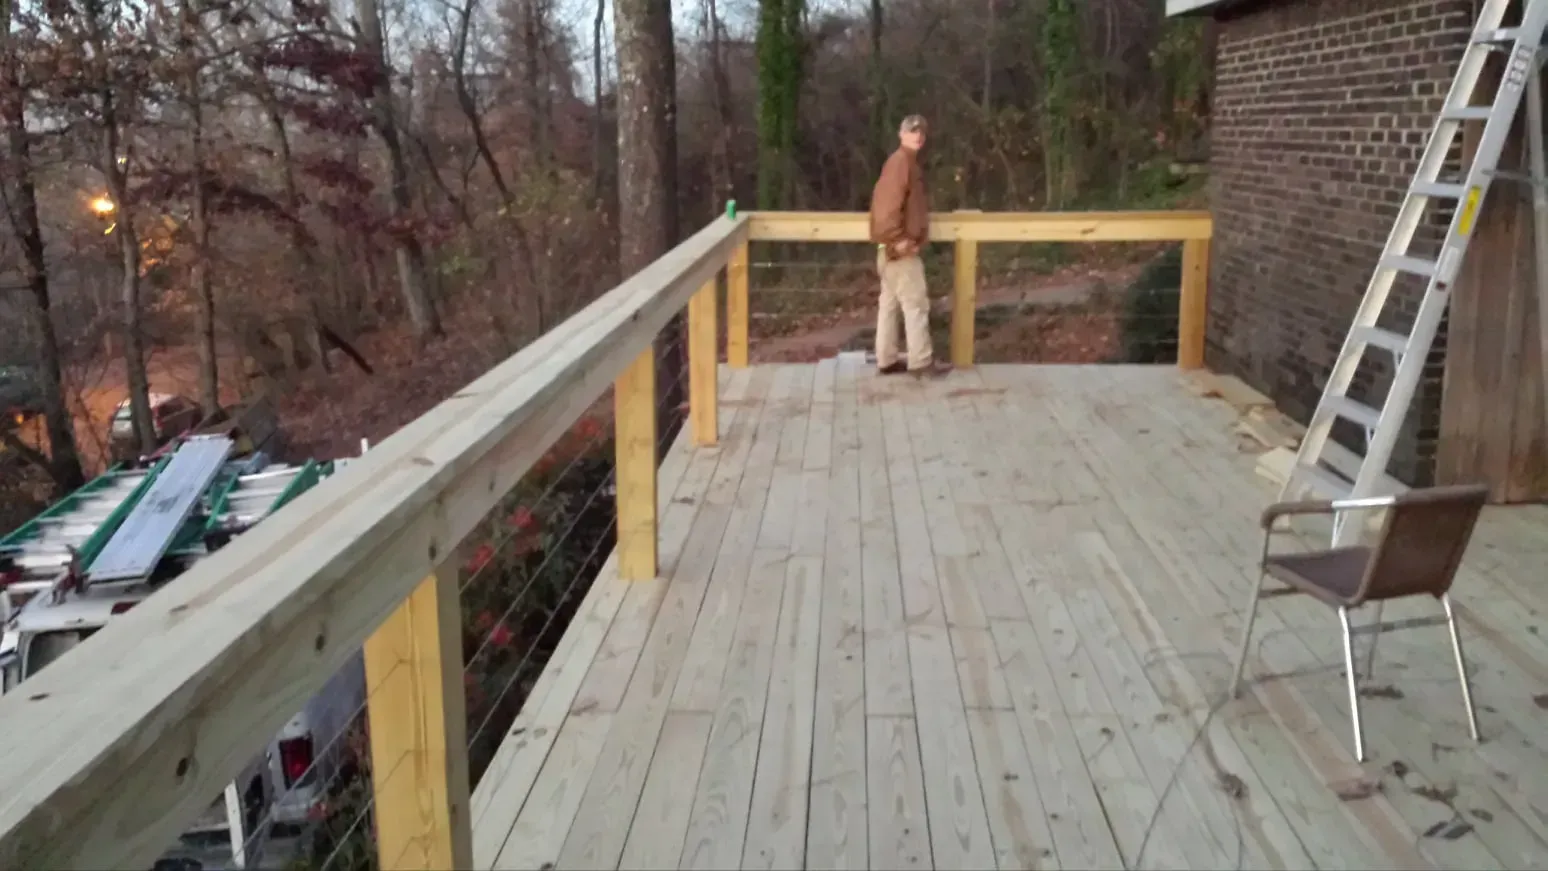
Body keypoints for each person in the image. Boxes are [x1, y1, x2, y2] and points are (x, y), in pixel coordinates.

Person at [869, 114, 951, 378]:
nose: (918, 136)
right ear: (901, 134)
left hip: (889, 250)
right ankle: (921, 363)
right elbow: (885, 209)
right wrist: (899, 240)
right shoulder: (901, 164)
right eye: (912, 131)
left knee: (889, 305)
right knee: (915, 304)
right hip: (899, 249)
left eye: (921, 133)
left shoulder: (901, 163)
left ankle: (887, 360)